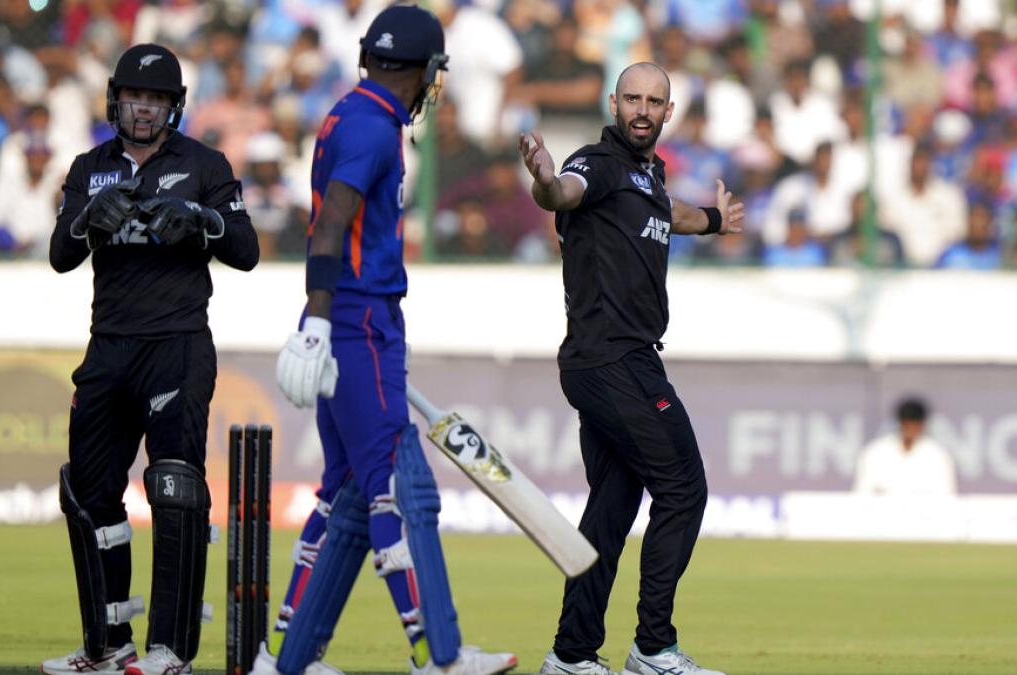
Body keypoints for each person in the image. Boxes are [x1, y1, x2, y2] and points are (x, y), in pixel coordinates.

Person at [262, 6, 516, 675]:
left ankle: (285, 658)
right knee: (399, 493)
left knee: (341, 490)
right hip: (358, 321)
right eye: (436, 71)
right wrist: (319, 322)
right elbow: (330, 225)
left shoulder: (353, 112)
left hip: (347, 319)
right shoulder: (375, 128)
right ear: (424, 69)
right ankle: (439, 653)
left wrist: (320, 320)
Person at [41, 43, 259, 675]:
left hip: (179, 347)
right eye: (135, 97)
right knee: (86, 493)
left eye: (157, 100)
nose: (143, 109)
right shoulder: (90, 166)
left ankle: (171, 650)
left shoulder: (204, 163)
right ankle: (108, 646)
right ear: (115, 99)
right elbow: (60, 256)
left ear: (175, 107)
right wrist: (88, 219)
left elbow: (245, 251)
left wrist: (199, 218)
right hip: (109, 346)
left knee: (175, 490)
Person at [519, 62, 743, 675]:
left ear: (669, 113)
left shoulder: (648, 176)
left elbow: (671, 216)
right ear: (614, 102)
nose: (643, 110)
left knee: (613, 507)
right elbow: (562, 192)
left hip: (615, 359)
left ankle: (571, 655)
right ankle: (653, 647)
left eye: (655, 101)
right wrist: (542, 178)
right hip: (613, 359)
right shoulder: (598, 162)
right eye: (633, 99)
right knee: (684, 487)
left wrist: (716, 219)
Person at [853, 397, 958, 497]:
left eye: (915, 425)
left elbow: (947, 495)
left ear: (922, 425)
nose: (911, 430)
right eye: (907, 425)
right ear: (901, 423)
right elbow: (862, 493)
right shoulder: (876, 452)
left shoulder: (938, 456)